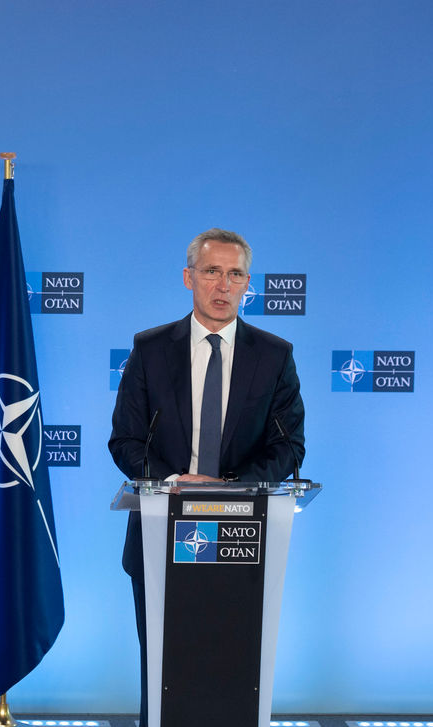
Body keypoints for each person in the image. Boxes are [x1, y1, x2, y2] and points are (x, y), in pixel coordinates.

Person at [107, 228, 305, 726]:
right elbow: (125, 441)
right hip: (162, 533)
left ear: (247, 283)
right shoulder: (151, 350)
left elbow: (289, 446)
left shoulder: (274, 354)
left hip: (244, 536)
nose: (223, 285)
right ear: (188, 278)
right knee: (164, 674)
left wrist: (230, 489)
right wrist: (175, 481)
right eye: (212, 272)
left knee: (232, 677)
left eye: (235, 274)